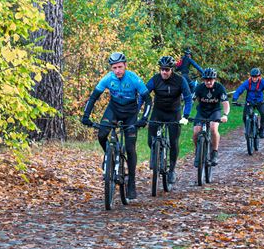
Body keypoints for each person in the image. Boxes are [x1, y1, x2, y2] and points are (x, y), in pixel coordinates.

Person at [80, 51, 151, 200]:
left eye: (120, 67)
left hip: (130, 113)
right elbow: (93, 97)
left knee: (130, 147)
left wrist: (144, 118)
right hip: (113, 110)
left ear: (125, 65)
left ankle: (131, 182)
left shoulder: (133, 79)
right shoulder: (108, 78)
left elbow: (148, 100)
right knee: (101, 134)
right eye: (114, 68)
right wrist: (85, 116)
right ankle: (109, 155)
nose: (117, 71)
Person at [145, 55, 192, 184]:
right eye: (162, 69)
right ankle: (157, 153)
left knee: (173, 141)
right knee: (150, 140)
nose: (164, 72)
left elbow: (188, 99)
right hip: (158, 112)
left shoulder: (180, 80)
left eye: (167, 69)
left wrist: (185, 116)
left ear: (172, 70)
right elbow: (144, 93)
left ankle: (171, 170)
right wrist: (139, 111)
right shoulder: (155, 79)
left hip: (174, 113)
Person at [192, 67, 229, 166]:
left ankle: (214, 153)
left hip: (214, 111)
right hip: (202, 112)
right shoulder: (199, 88)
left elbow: (225, 103)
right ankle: (198, 153)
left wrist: (225, 115)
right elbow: (191, 101)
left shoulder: (219, 87)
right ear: (203, 80)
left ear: (214, 79)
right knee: (196, 132)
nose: (208, 82)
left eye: (210, 80)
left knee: (213, 128)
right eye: (206, 80)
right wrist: (185, 114)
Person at [232, 67, 264, 138]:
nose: (254, 78)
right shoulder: (247, 82)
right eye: (253, 76)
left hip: (259, 102)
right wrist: (234, 99)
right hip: (249, 102)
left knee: (263, 114)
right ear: (251, 76)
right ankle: (248, 129)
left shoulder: (262, 82)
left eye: (256, 77)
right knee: (244, 117)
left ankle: (261, 129)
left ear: (259, 76)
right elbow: (239, 90)